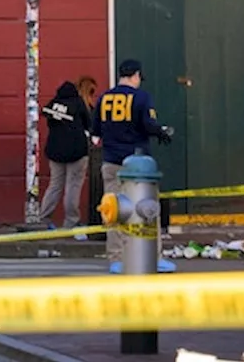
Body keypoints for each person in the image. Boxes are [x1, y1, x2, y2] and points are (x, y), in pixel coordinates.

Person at [93, 59, 174, 273]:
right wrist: (161, 132)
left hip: (111, 161)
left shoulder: (103, 98)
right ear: (136, 75)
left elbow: (95, 132)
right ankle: (152, 258)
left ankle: (117, 258)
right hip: (139, 167)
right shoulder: (141, 97)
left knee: (114, 210)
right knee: (147, 209)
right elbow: (148, 125)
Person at [39, 80, 92, 232]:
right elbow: (89, 123)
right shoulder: (78, 103)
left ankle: (44, 218)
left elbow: (47, 118)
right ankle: (71, 221)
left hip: (55, 151)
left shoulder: (53, 104)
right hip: (77, 151)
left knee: (55, 185)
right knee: (73, 186)